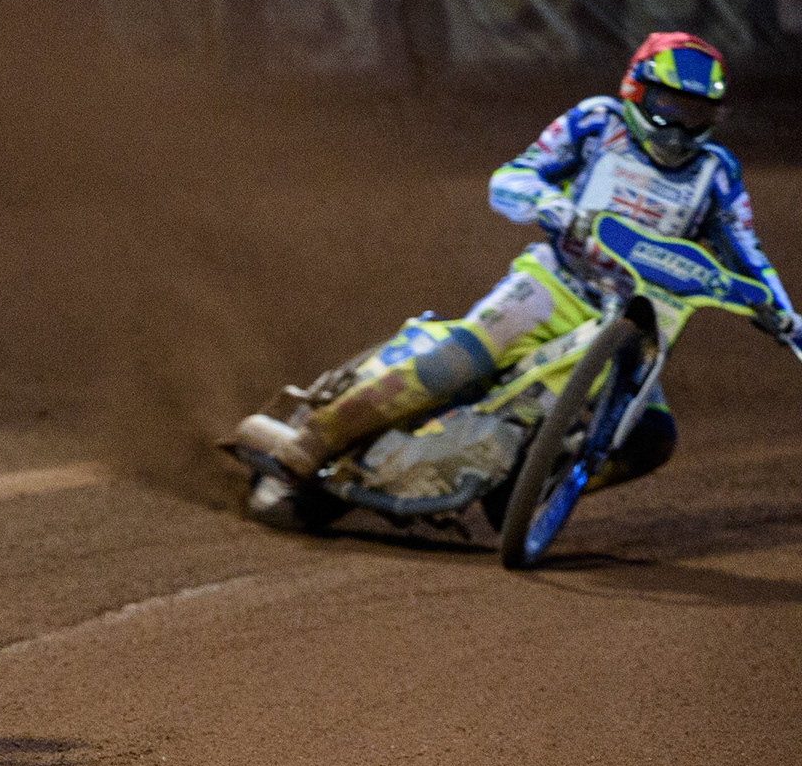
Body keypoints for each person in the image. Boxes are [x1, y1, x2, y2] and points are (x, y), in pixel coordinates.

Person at [237, 31, 802, 501]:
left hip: (643, 321)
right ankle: (315, 439)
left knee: (653, 438)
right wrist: (550, 203)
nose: (679, 128)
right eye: (668, 108)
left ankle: (535, 490)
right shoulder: (597, 122)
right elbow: (511, 178)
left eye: (695, 113)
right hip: (556, 282)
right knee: (466, 358)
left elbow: (747, 253)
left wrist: (784, 315)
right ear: (637, 91)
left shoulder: (716, 172)